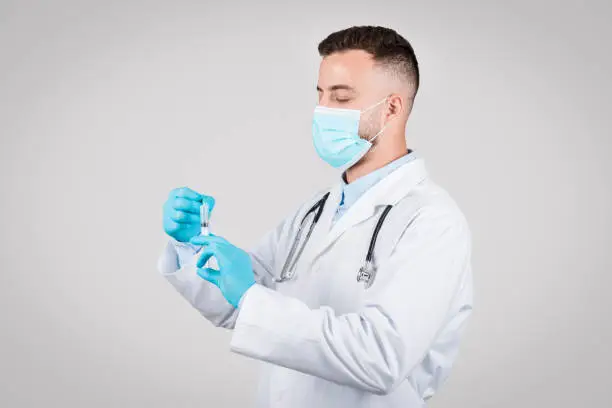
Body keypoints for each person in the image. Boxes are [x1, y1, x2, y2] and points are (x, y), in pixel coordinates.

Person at [157, 25, 473, 408]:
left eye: (341, 97)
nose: (324, 111)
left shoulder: (432, 220)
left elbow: (381, 358)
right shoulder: (315, 211)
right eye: (321, 95)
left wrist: (250, 296)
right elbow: (235, 306)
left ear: (392, 107)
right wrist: (192, 244)